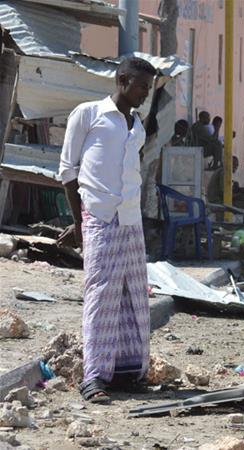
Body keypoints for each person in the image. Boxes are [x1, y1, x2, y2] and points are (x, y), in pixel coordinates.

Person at [56, 56, 157, 404]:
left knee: (132, 297)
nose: (146, 92)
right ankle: (94, 377)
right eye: (142, 85)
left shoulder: (137, 125)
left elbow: (132, 173)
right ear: (123, 80)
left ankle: (129, 373)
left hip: (131, 220)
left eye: (149, 86)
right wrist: (78, 222)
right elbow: (68, 171)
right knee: (101, 295)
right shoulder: (88, 114)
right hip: (100, 218)